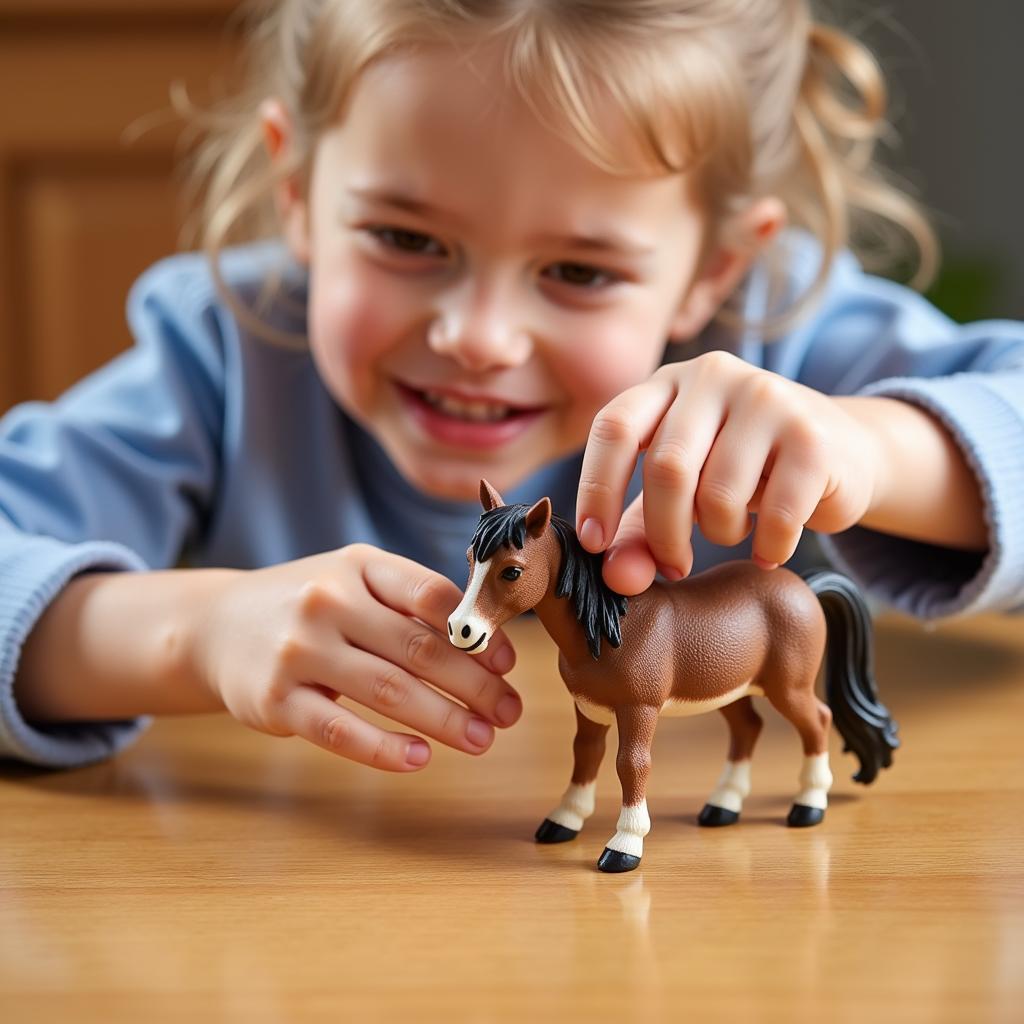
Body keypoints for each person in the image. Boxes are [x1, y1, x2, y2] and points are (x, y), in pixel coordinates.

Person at [2, 0, 1022, 772]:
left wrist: (869, 447)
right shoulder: (218, 355)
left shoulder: (778, 340)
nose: (478, 338)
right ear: (300, 193)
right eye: (406, 239)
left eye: (578, 271)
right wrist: (194, 634)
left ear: (716, 265)